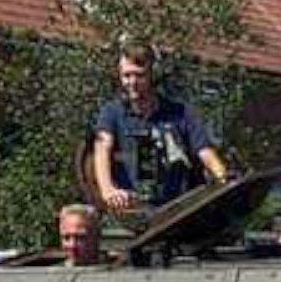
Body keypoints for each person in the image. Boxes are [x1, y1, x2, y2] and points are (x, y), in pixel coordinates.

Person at [89, 41, 228, 214]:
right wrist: (108, 190)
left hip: (178, 210)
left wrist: (224, 180)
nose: (132, 82)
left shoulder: (181, 113)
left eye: (139, 75)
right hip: (134, 212)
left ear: (152, 75)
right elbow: (102, 148)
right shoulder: (112, 113)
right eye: (126, 75)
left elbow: (205, 152)